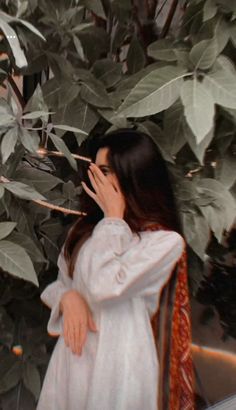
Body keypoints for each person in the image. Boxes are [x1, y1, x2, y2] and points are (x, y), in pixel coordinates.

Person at [37, 129, 194, 410]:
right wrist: (67, 298)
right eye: (95, 169)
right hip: (74, 357)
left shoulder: (164, 242)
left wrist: (113, 218)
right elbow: (61, 283)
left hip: (121, 363)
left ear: (133, 174)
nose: (96, 178)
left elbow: (104, 286)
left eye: (106, 171)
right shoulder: (84, 230)